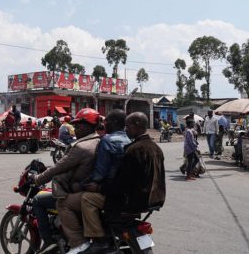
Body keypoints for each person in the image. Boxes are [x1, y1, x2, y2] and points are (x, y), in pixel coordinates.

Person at [32, 108, 101, 254]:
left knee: (39, 200)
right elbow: (65, 165)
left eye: (78, 125)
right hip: (85, 186)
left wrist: (38, 178)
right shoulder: (97, 141)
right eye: (74, 125)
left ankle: (51, 243)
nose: (75, 128)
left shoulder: (81, 147)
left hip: (75, 190)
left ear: (89, 126)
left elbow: (58, 167)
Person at [79, 109, 131, 253]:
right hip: (127, 191)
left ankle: (98, 239)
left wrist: (83, 183)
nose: (103, 123)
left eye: (106, 121)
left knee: (86, 198)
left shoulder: (107, 141)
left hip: (111, 191)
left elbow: (99, 173)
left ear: (114, 122)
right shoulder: (130, 139)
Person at [101, 112, 166, 225]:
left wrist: (99, 188)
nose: (125, 130)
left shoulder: (135, 149)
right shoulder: (156, 148)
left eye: (127, 126)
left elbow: (123, 183)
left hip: (136, 201)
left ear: (137, 125)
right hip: (156, 198)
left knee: (87, 199)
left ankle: (99, 238)